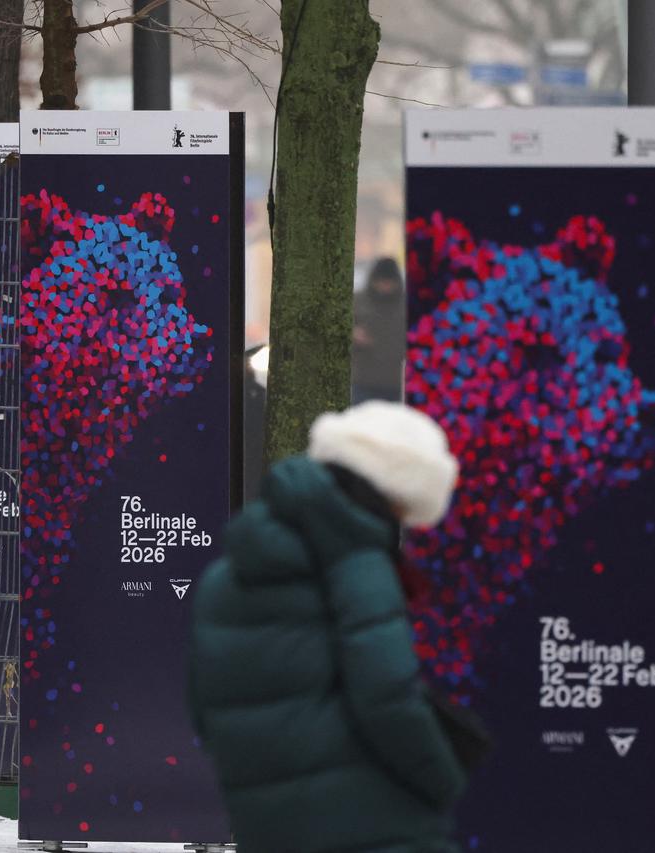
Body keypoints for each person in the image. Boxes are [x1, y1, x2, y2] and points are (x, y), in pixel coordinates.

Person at [188, 402, 467, 853]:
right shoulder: (357, 567)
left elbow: (202, 706)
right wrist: (445, 779)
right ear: (386, 492)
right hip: (374, 823)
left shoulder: (227, 574)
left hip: (265, 825)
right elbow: (388, 698)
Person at [351, 257, 407, 405]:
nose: (385, 286)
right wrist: (353, 334)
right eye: (382, 281)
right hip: (361, 380)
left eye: (389, 282)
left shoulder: (405, 304)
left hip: (393, 383)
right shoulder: (357, 300)